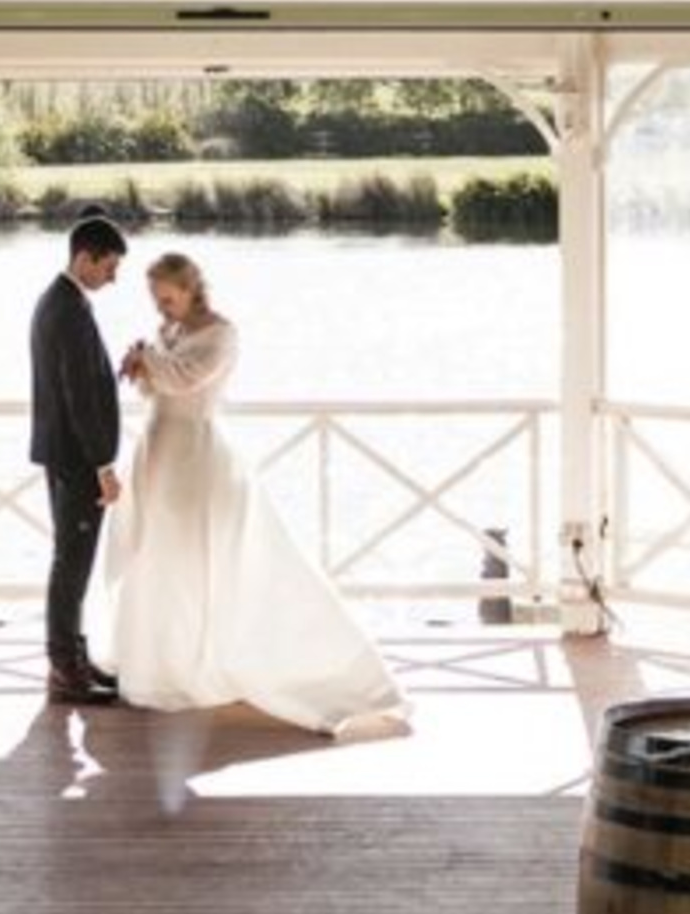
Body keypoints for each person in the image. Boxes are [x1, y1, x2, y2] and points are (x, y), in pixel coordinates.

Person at [101, 251, 409, 742]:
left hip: (193, 455)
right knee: (157, 558)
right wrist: (141, 366)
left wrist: (148, 359)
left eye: (168, 298)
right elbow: (158, 386)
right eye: (155, 301)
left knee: (197, 558)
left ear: (191, 289)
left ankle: (208, 661)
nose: (161, 309)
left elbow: (185, 379)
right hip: (156, 449)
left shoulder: (221, 334)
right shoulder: (169, 332)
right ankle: (162, 662)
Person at [27, 213, 129, 705]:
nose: (113, 277)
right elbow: (77, 397)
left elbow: (83, 384)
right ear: (84, 257)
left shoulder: (59, 301)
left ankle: (72, 658)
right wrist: (103, 466)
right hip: (75, 459)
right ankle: (65, 670)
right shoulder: (67, 310)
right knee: (71, 563)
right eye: (109, 267)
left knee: (72, 562)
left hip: (64, 453)